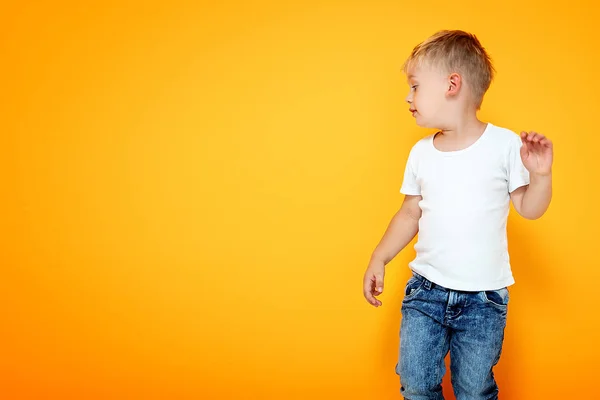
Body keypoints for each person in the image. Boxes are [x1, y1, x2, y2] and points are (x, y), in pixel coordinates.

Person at [362, 30, 553, 400]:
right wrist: (379, 256)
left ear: (452, 84)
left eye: (415, 86)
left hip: (483, 301)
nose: (408, 96)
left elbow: (529, 208)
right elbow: (408, 213)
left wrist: (541, 176)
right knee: (416, 385)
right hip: (425, 293)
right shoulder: (421, 153)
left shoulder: (505, 145)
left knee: (474, 390)